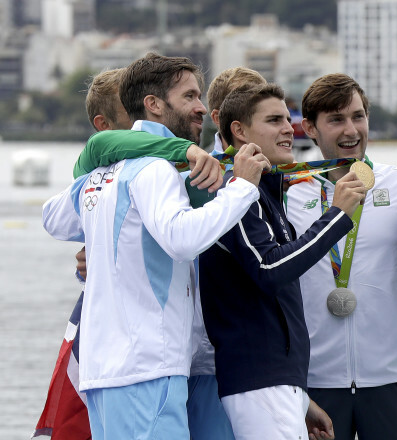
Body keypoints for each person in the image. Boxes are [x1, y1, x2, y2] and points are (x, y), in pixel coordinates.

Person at [41, 53, 269, 440]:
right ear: (154, 104)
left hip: (103, 370)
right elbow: (182, 240)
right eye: (190, 96)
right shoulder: (155, 169)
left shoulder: (101, 172)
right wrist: (243, 187)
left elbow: (55, 219)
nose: (201, 108)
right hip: (148, 365)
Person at [198, 83, 366, 440]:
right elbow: (270, 270)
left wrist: (300, 397)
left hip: (277, 384)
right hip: (258, 384)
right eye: (274, 120)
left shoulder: (265, 195)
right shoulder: (236, 194)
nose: (289, 128)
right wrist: (338, 216)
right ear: (239, 131)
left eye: (288, 120)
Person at [284, 73, 397, 440]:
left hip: (391, 379)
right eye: (336, 119)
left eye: (358, 116)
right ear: (310, 129)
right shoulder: (287, 194)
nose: (351, 130)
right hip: (316, 384)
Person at [33, 67, 134, 440]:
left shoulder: (179, 160)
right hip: (117, 349)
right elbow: (55, 219)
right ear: (103, 124)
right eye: (133, 110)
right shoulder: (99, 173)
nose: (148, 118)